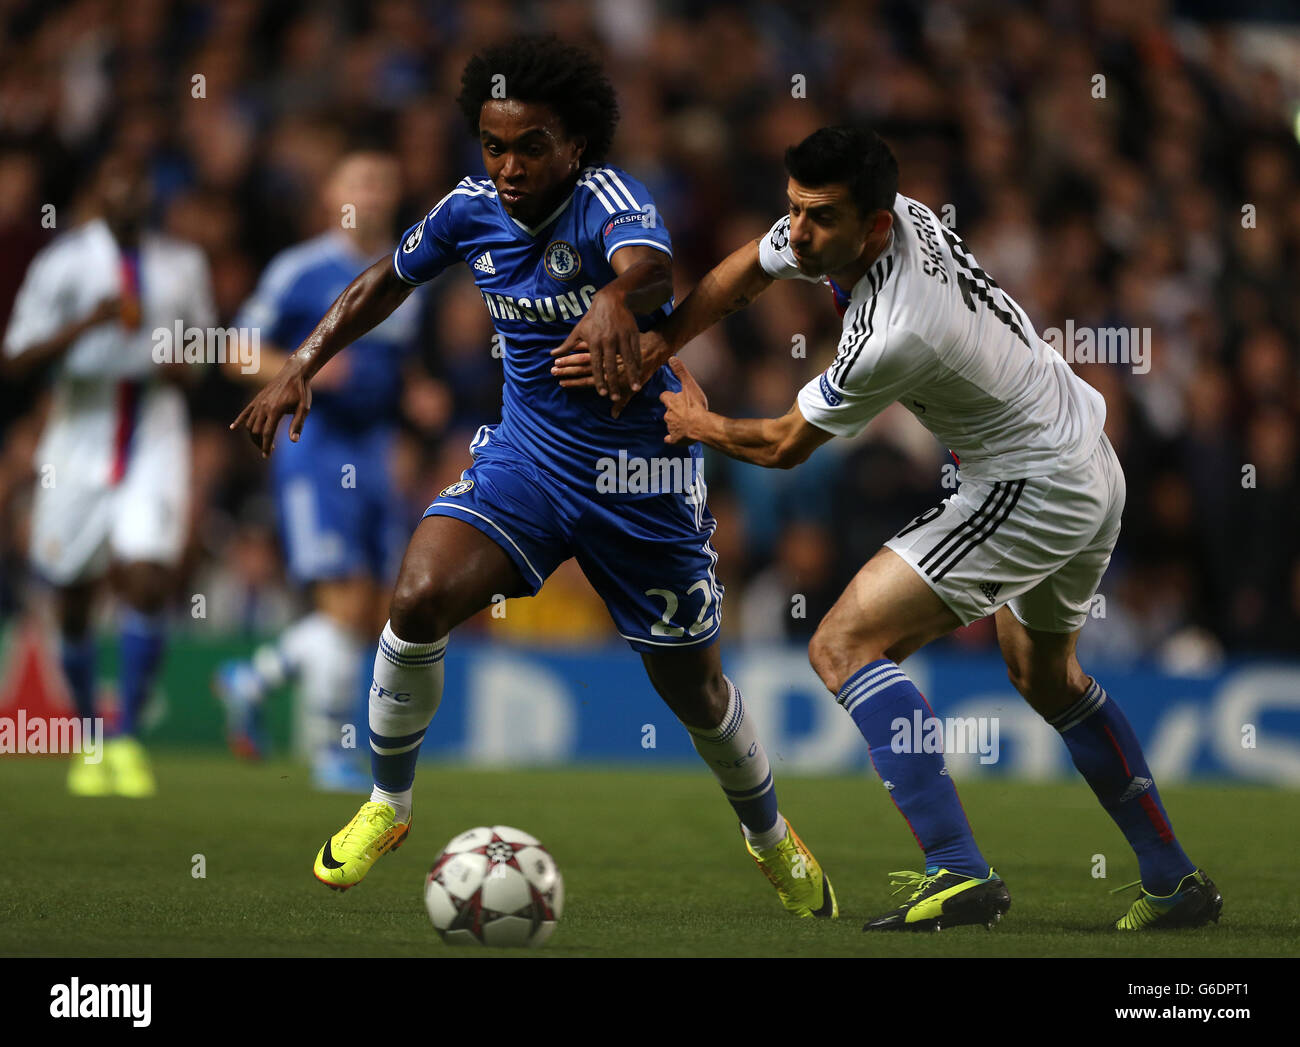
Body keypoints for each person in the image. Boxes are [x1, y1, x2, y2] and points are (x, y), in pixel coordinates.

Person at [231, 35, 835, 917]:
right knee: (417, 595)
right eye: (494, 144)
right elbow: (384, 280)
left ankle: (770, 835)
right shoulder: (467, 209)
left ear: (575, 145)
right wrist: (302, 363)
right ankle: (386, 802)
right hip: (530, 461)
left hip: (641, 479)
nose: (510, 166)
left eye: (531, 146)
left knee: (695, 690)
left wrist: (609, 299)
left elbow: (654, 268)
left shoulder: (612, 202)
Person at [562, 124, 1220, 933]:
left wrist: (697, 422)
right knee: (1048, 677)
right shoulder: (880, 212)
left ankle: (958, 870)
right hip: (1083, 458)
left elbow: (782, 446)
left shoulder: (896, 330)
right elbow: (746, 271)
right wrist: (664, 335)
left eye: (819, 219)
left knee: (843, 645)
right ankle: (1173, 879)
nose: (799, 232)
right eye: (794, 209)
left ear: (872, 227)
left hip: (1033, 483)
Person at [213, 150, 440, 791]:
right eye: (358, 181)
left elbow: (398, 364)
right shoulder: (300, 269)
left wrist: (417, 395)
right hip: (315, 446)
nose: (370, 193)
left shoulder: (408, 269)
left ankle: (250, 679)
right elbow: (235, 350)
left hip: (375, 451)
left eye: (382, 181)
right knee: (341, 603)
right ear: (331, 195)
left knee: (368, 610)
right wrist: (301, 368)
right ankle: (326, 753)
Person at [3, 148, 215, 797]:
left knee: (149, 576)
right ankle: (89, 734)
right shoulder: (63, 263)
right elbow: (15, 358)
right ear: (99, 189)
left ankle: (124, 738)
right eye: (117, 179)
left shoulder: (182, 263)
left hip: (153, 433)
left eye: (138, 181)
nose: (129, 192)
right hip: (78, 435)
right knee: (72, 593)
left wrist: (181, 357)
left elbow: (203, 347)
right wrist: (86, 325)